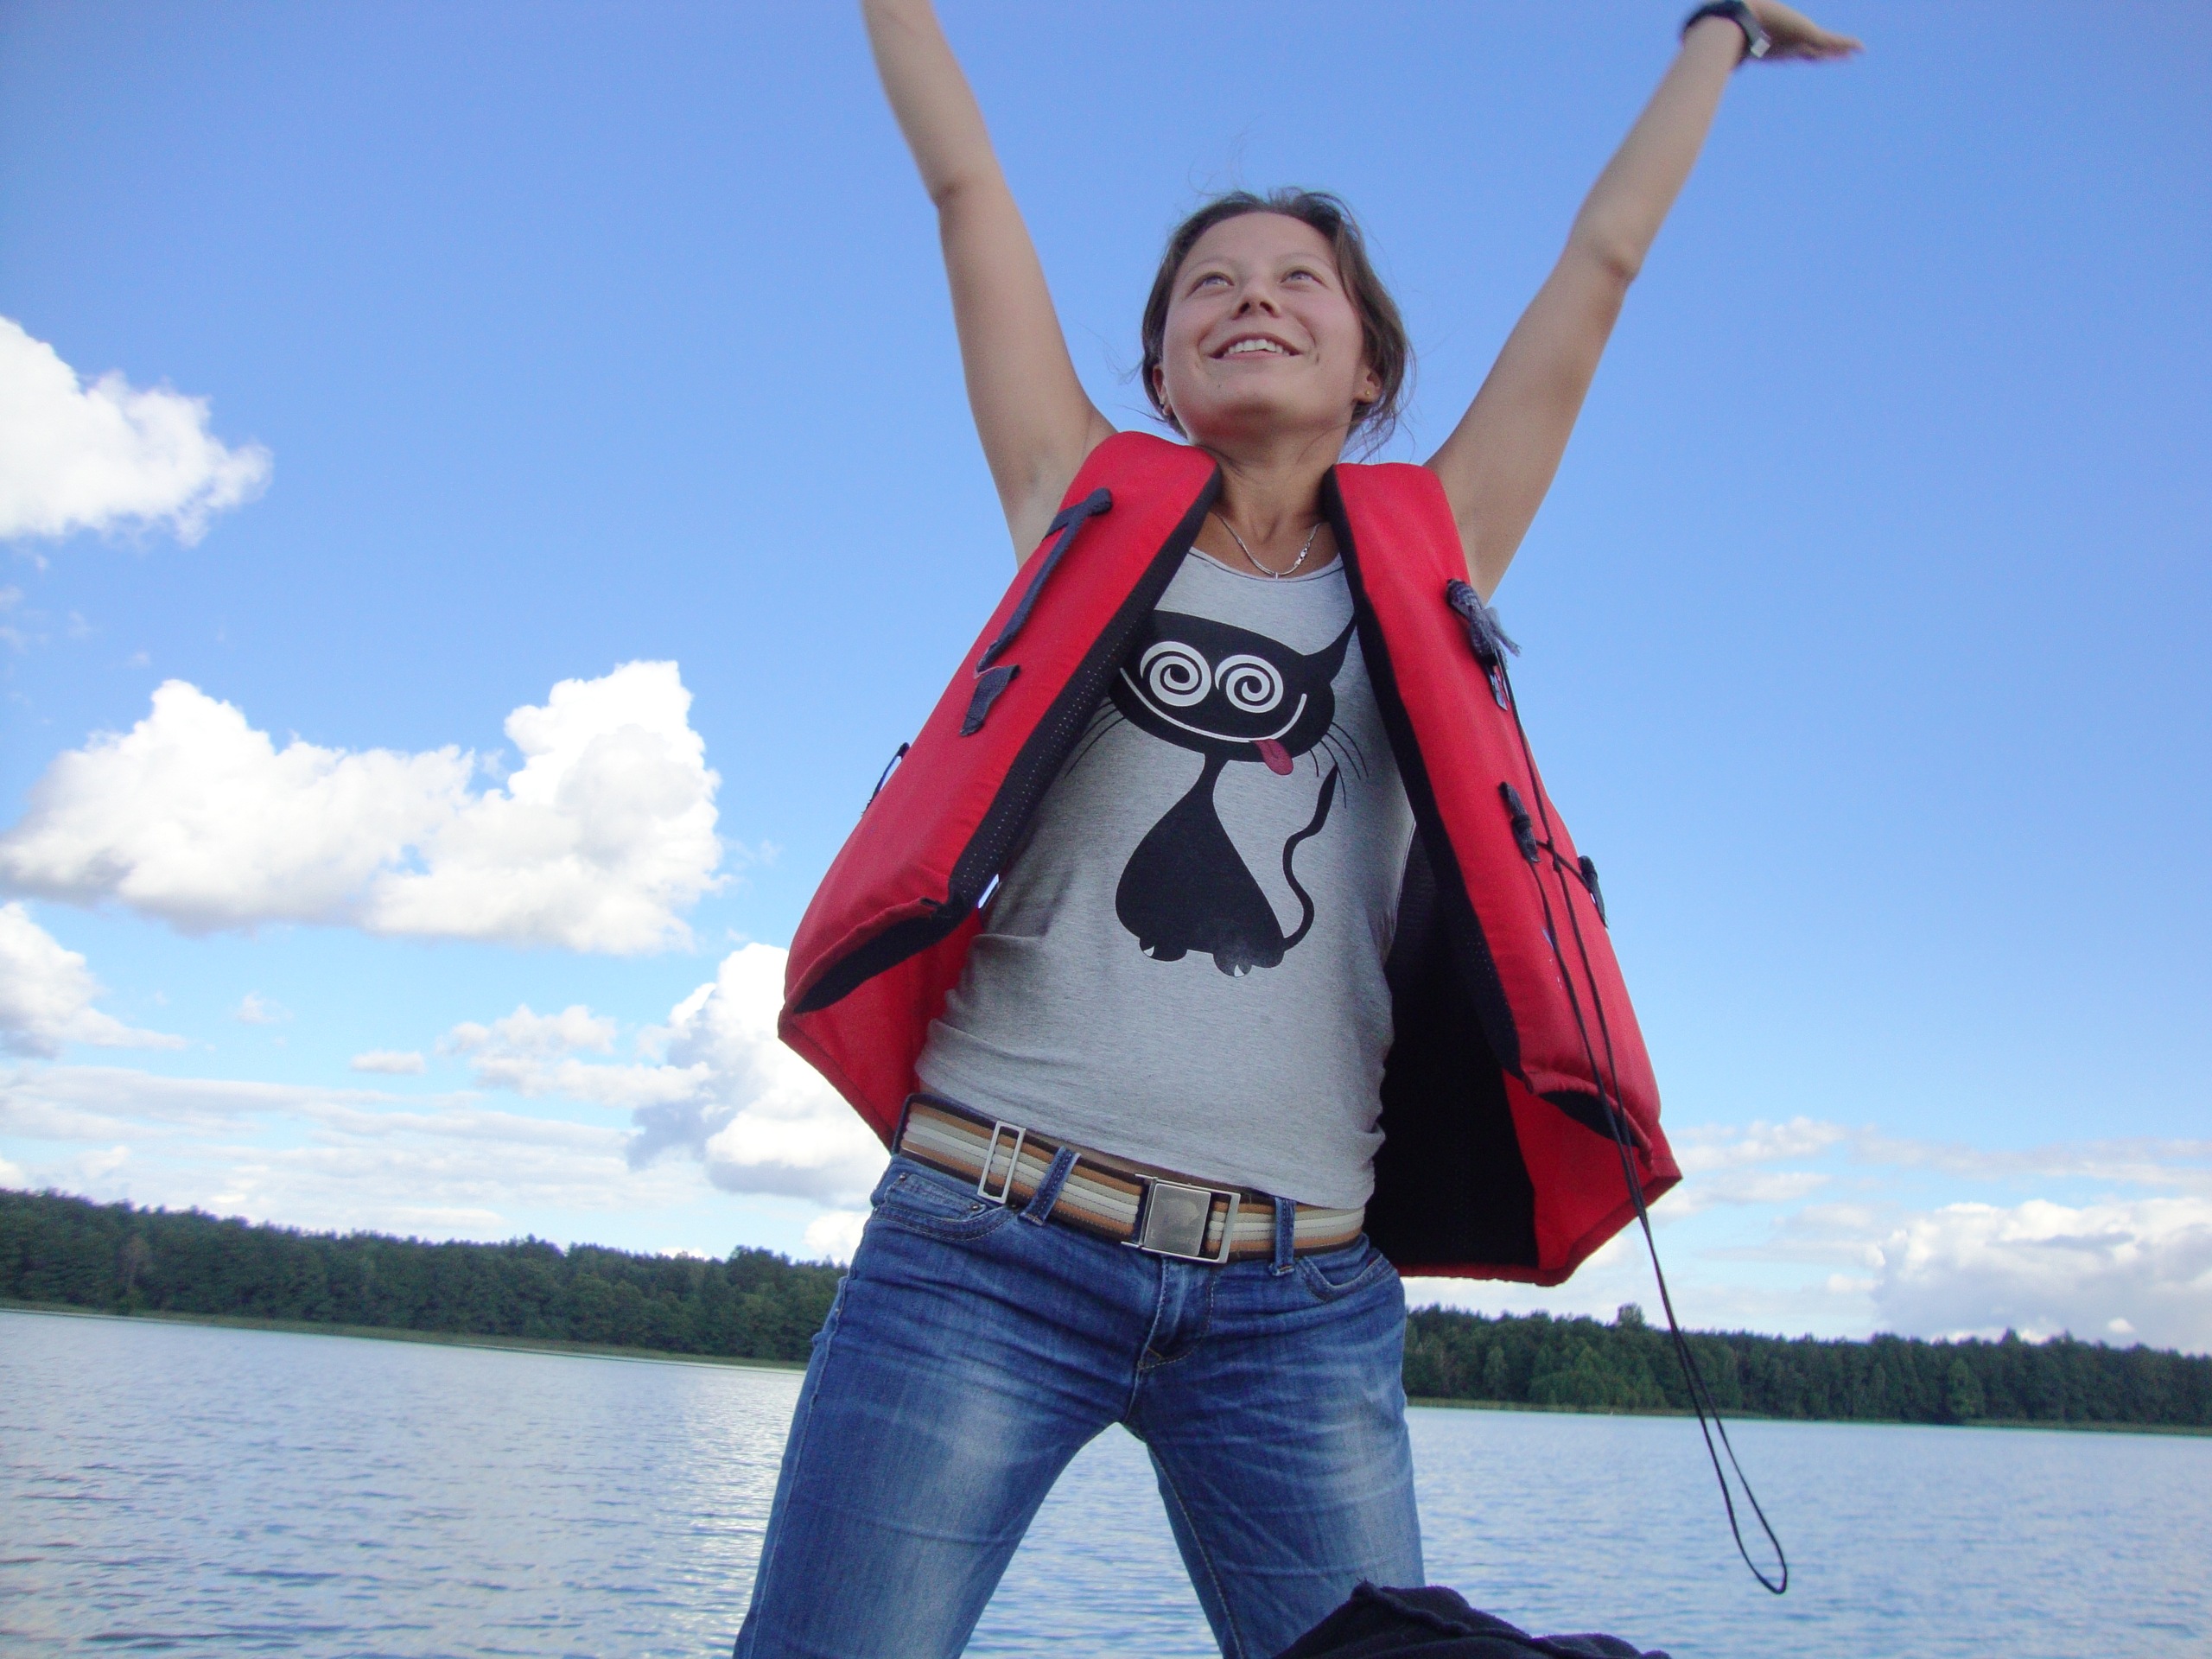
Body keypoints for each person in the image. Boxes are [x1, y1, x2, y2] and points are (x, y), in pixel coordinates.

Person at [739, 5, 1858, 1656]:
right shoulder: (1074, 497)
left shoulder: (1442, 545)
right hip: (987, 1240)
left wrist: (1719, 32)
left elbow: (1603, 264)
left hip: (1299, 1299)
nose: (1251, 299)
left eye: (1297, 282)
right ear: (1161, 372)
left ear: (1370, 367)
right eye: (1209, 285)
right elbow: (967, 189)